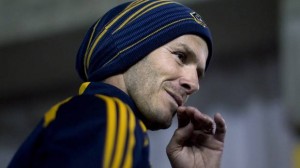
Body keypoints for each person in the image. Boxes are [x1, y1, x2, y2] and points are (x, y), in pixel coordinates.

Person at [9, 0, 226, 167]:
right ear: (129, 49)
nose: (194, 84)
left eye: (198, 73)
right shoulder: (110, 116)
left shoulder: (82, 117)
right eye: (180, 56)